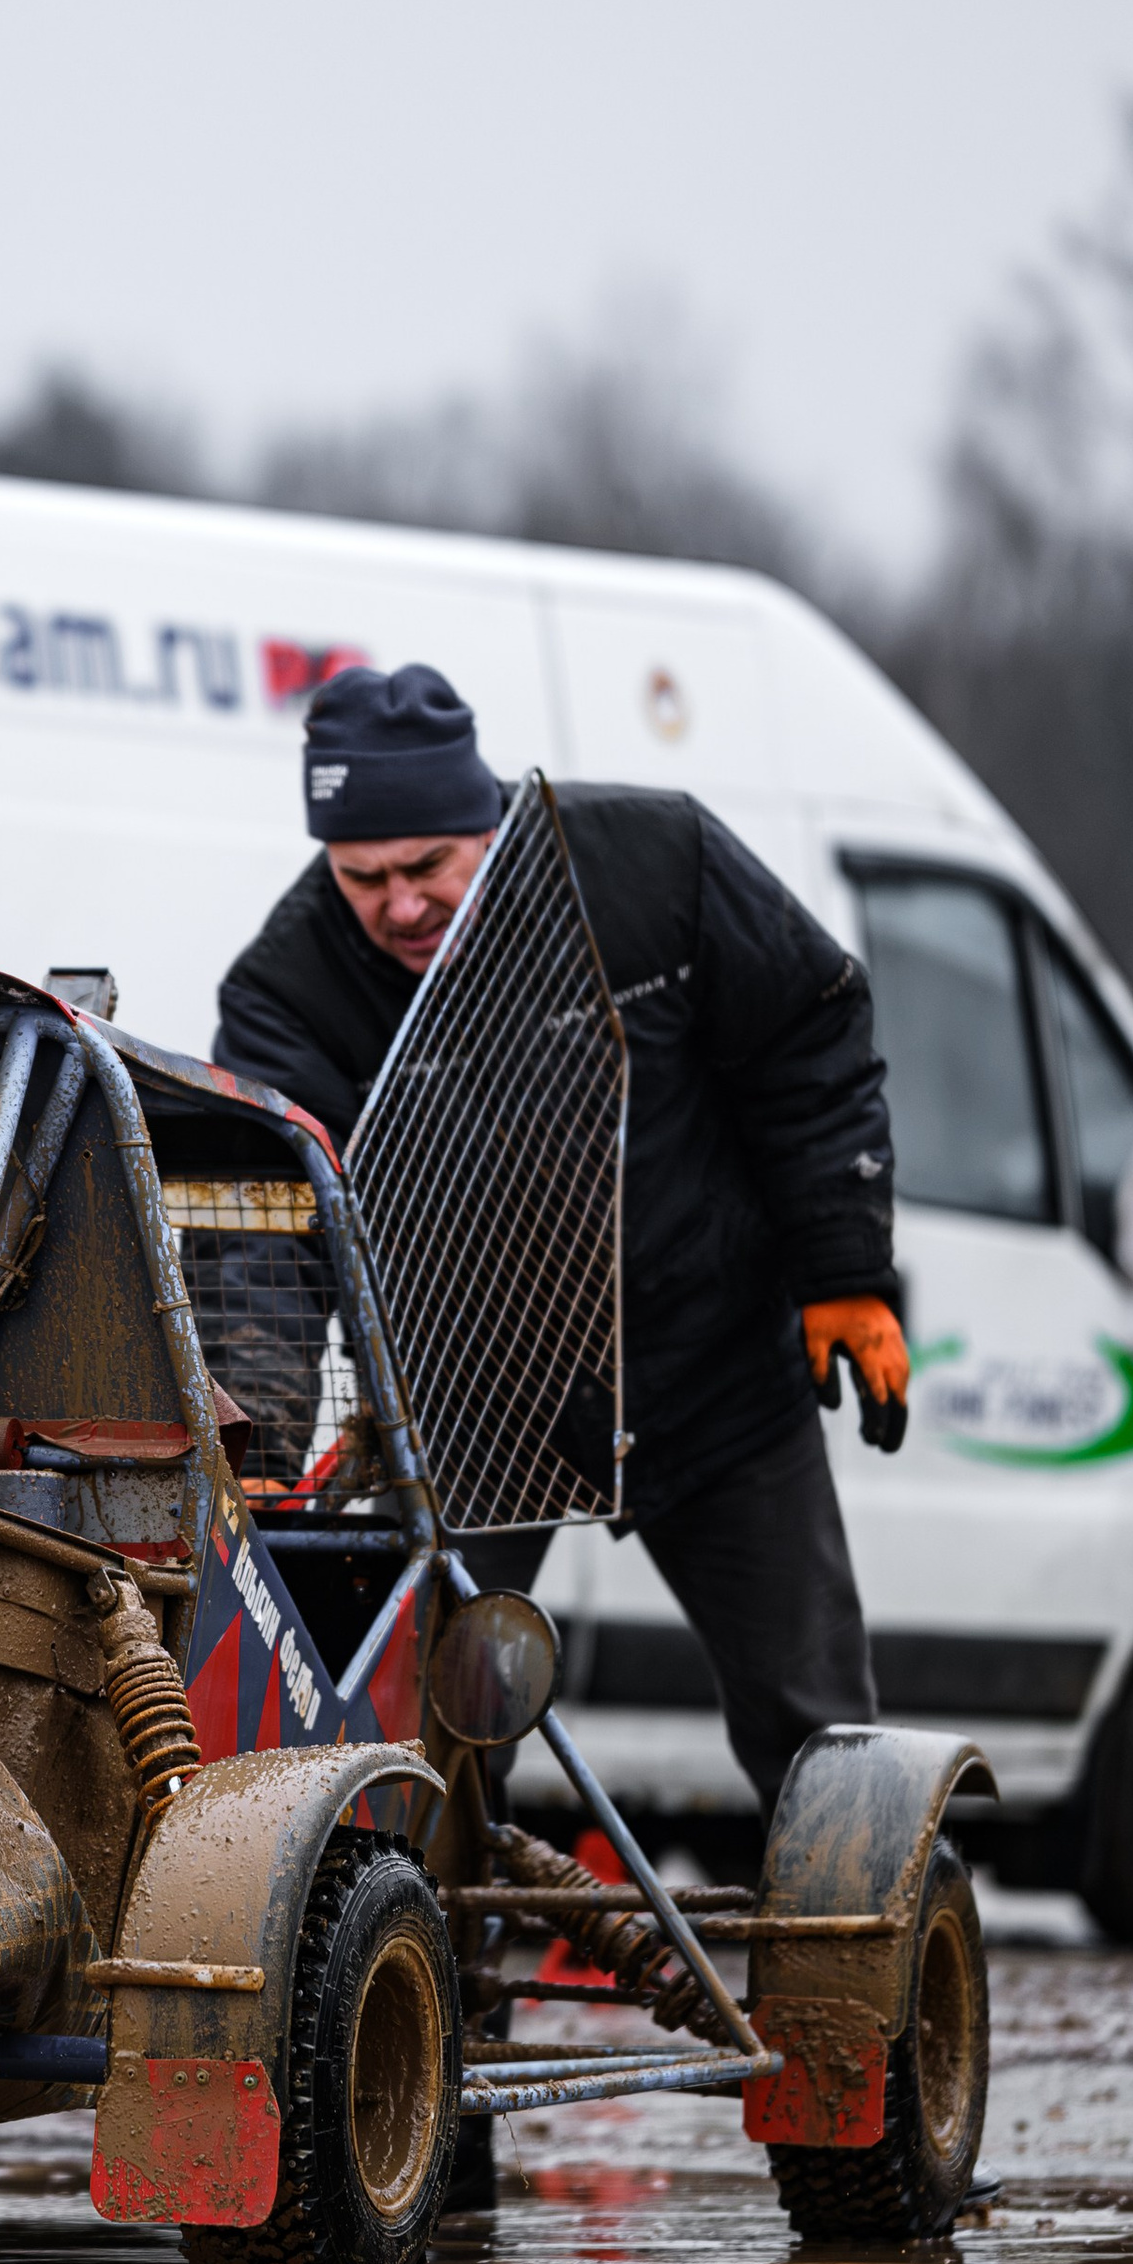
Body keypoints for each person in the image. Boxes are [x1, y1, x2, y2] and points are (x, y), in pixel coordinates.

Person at [213, 660, 909, 1816]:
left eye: (428, 866)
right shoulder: (288, 990)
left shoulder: (652, 867)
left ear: (486, 820)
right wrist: (257, 1434)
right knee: (422, 1752)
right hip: (473, 1409)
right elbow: (267, 1223)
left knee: (814, 1729)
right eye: (362, 877)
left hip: (712, 1369)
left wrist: (843, 1268)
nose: (397, 906)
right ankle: (439, 1982)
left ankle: (847, 1979)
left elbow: (808, 1035)